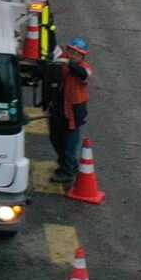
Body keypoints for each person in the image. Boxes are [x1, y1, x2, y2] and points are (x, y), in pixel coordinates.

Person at [42, 35, 94, 182]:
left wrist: (68, 62)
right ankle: (66, 166)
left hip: (73, 115)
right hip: (58, 111)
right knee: (56, 140)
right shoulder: (61, 62)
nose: (73, 55)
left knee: (69, 146)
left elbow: (83, 73)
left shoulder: (84, 68)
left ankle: (68, 172)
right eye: (71, 51)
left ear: (82, 56)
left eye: (77, 54)